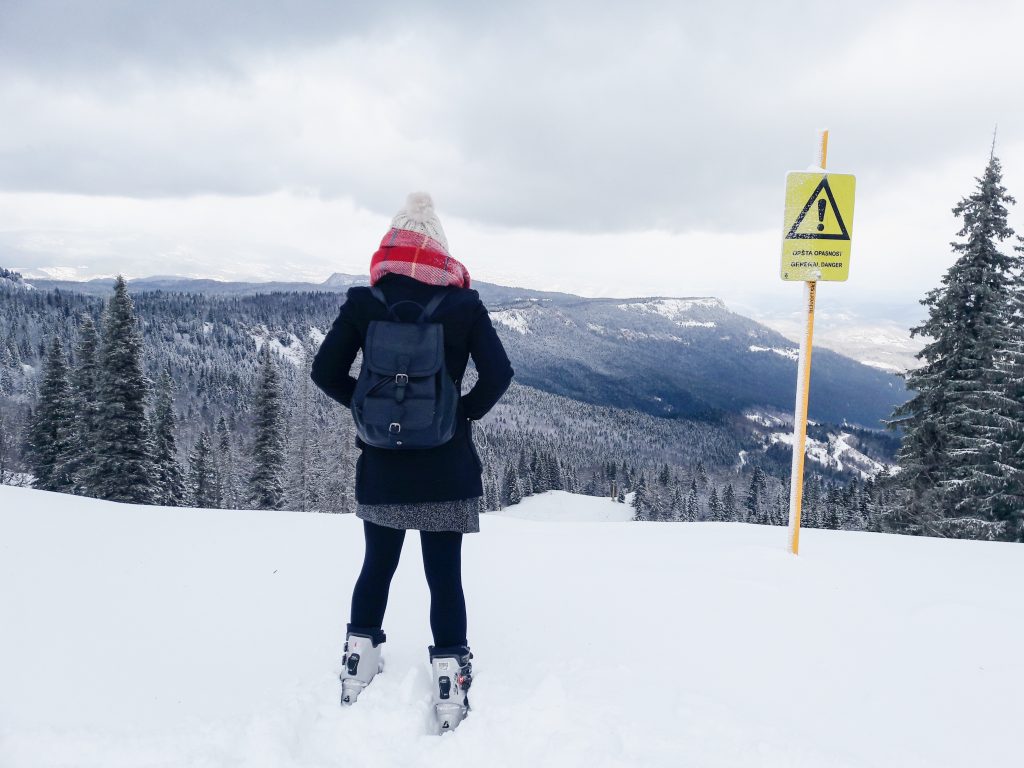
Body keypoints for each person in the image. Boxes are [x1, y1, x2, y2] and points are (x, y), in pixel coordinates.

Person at [310, 192, 513, 731]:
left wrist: (371, 414)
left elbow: (324, 373)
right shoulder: (464, 306)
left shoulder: (363, 302)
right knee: (444, 578)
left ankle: (358, 664)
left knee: (377, 565)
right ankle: (449, 677)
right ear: (438, 249)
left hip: (382, 466)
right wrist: (457, 416)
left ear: (391, 245)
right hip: (446, 468)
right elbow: (498, 376)